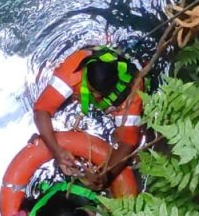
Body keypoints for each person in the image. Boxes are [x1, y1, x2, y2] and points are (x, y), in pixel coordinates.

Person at [33, 47, 142, 190]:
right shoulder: (74, 66)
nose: (95, 97)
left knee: (123, 138)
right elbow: (41, 109)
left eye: (99, 94)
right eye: (91, 90)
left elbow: (128, 142)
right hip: (78, 83)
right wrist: (56, 151)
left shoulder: (132, 90)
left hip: (117, 102)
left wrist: (106, 175)